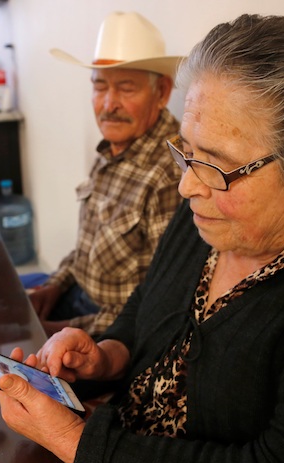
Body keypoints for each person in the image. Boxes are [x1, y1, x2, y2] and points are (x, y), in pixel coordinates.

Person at [0, 14, 284, 463]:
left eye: (214, 164)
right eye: (186, 152)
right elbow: (146, 305)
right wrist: (108, 357)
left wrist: (76, 441)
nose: (187, 186)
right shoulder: (210, 208)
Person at [30, 12, 184, 337]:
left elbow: (160, 304)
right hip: (75, 297)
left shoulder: (170, 175)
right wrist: (54, 287)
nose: (109, 104)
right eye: (100, 87)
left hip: (110, 331)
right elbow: (87, 247)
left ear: (162, 93)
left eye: (126, 89)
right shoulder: (112, 149)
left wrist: (60, 330)